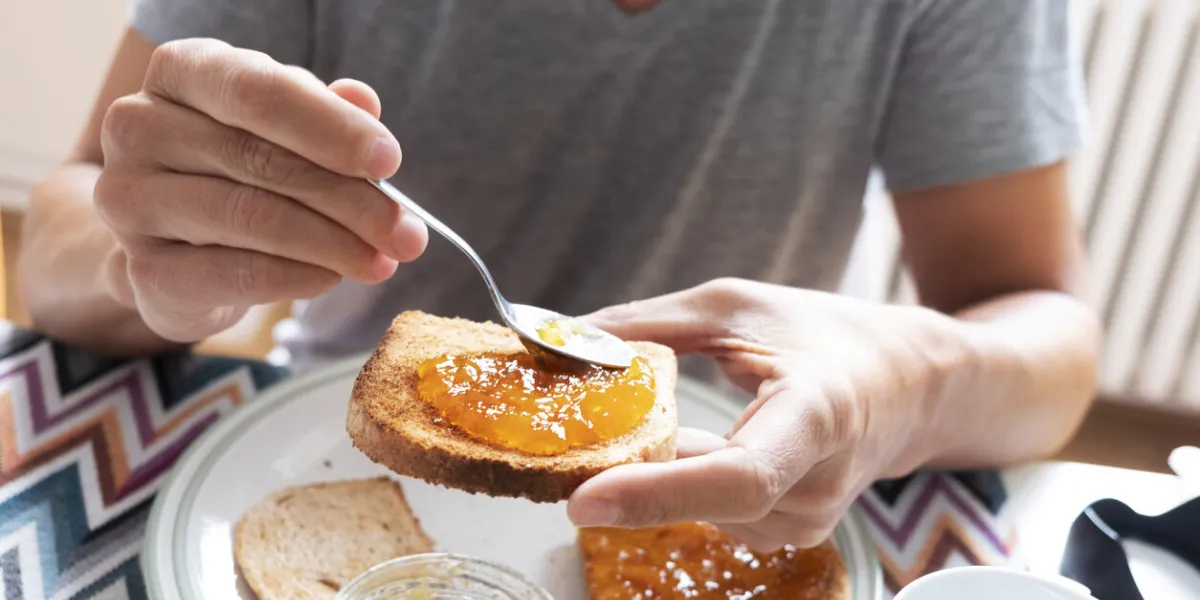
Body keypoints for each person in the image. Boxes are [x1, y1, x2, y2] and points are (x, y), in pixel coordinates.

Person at [20, 0, 1099, 551]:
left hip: (727, 495)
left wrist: (902, 378)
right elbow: (63, 234)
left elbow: (1045, 337)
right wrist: (143, 262)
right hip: (333, 475)